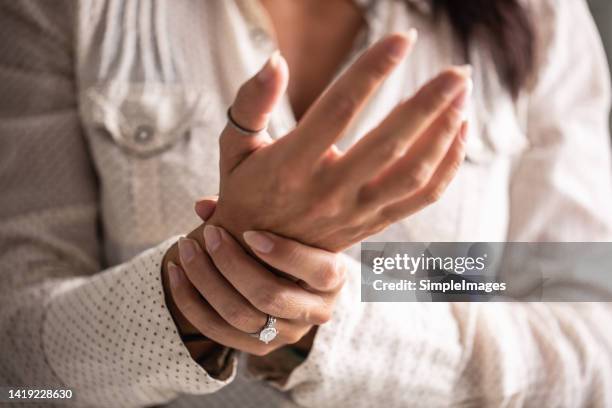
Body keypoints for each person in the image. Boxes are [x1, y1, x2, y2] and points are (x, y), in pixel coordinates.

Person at [0, 0, 611, 407]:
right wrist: (192, 296)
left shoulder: (540, 15)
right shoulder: (70, 11)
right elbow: (16, 368)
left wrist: (329, 311)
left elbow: (589, 330)